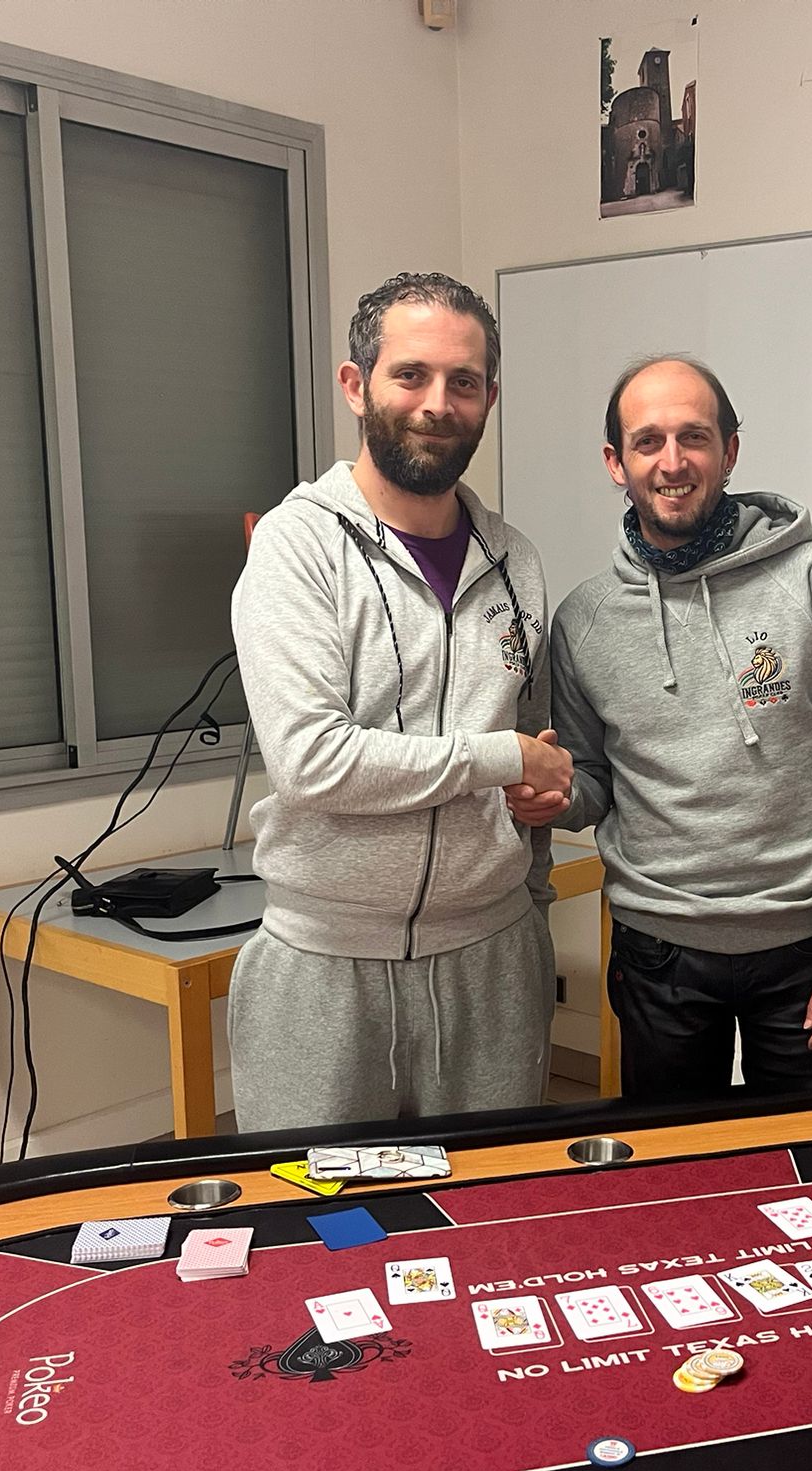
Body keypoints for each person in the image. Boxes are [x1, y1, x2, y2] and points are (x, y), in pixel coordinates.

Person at [228, 272, 570, 1132]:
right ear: (357, 385)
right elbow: (311, 761)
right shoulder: (297, 548)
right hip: (325, 966)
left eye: (464, 382)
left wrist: (535, 800)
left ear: (489, 398)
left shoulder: (517, 561)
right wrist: (501, 758)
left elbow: (533, 746)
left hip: (494, 957)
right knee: (320, 1208)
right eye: (410, 375)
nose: (437, 404)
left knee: (488, 1202)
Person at [515, 356, 812, 1097]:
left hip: (805, 948)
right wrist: (555, 798)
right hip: (657, 951)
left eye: (693, 436)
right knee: (677, 1161)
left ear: (729, 451)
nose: (672, 462)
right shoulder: (585, 620)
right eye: (648, 441)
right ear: (616, 462)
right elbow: (594, 784)